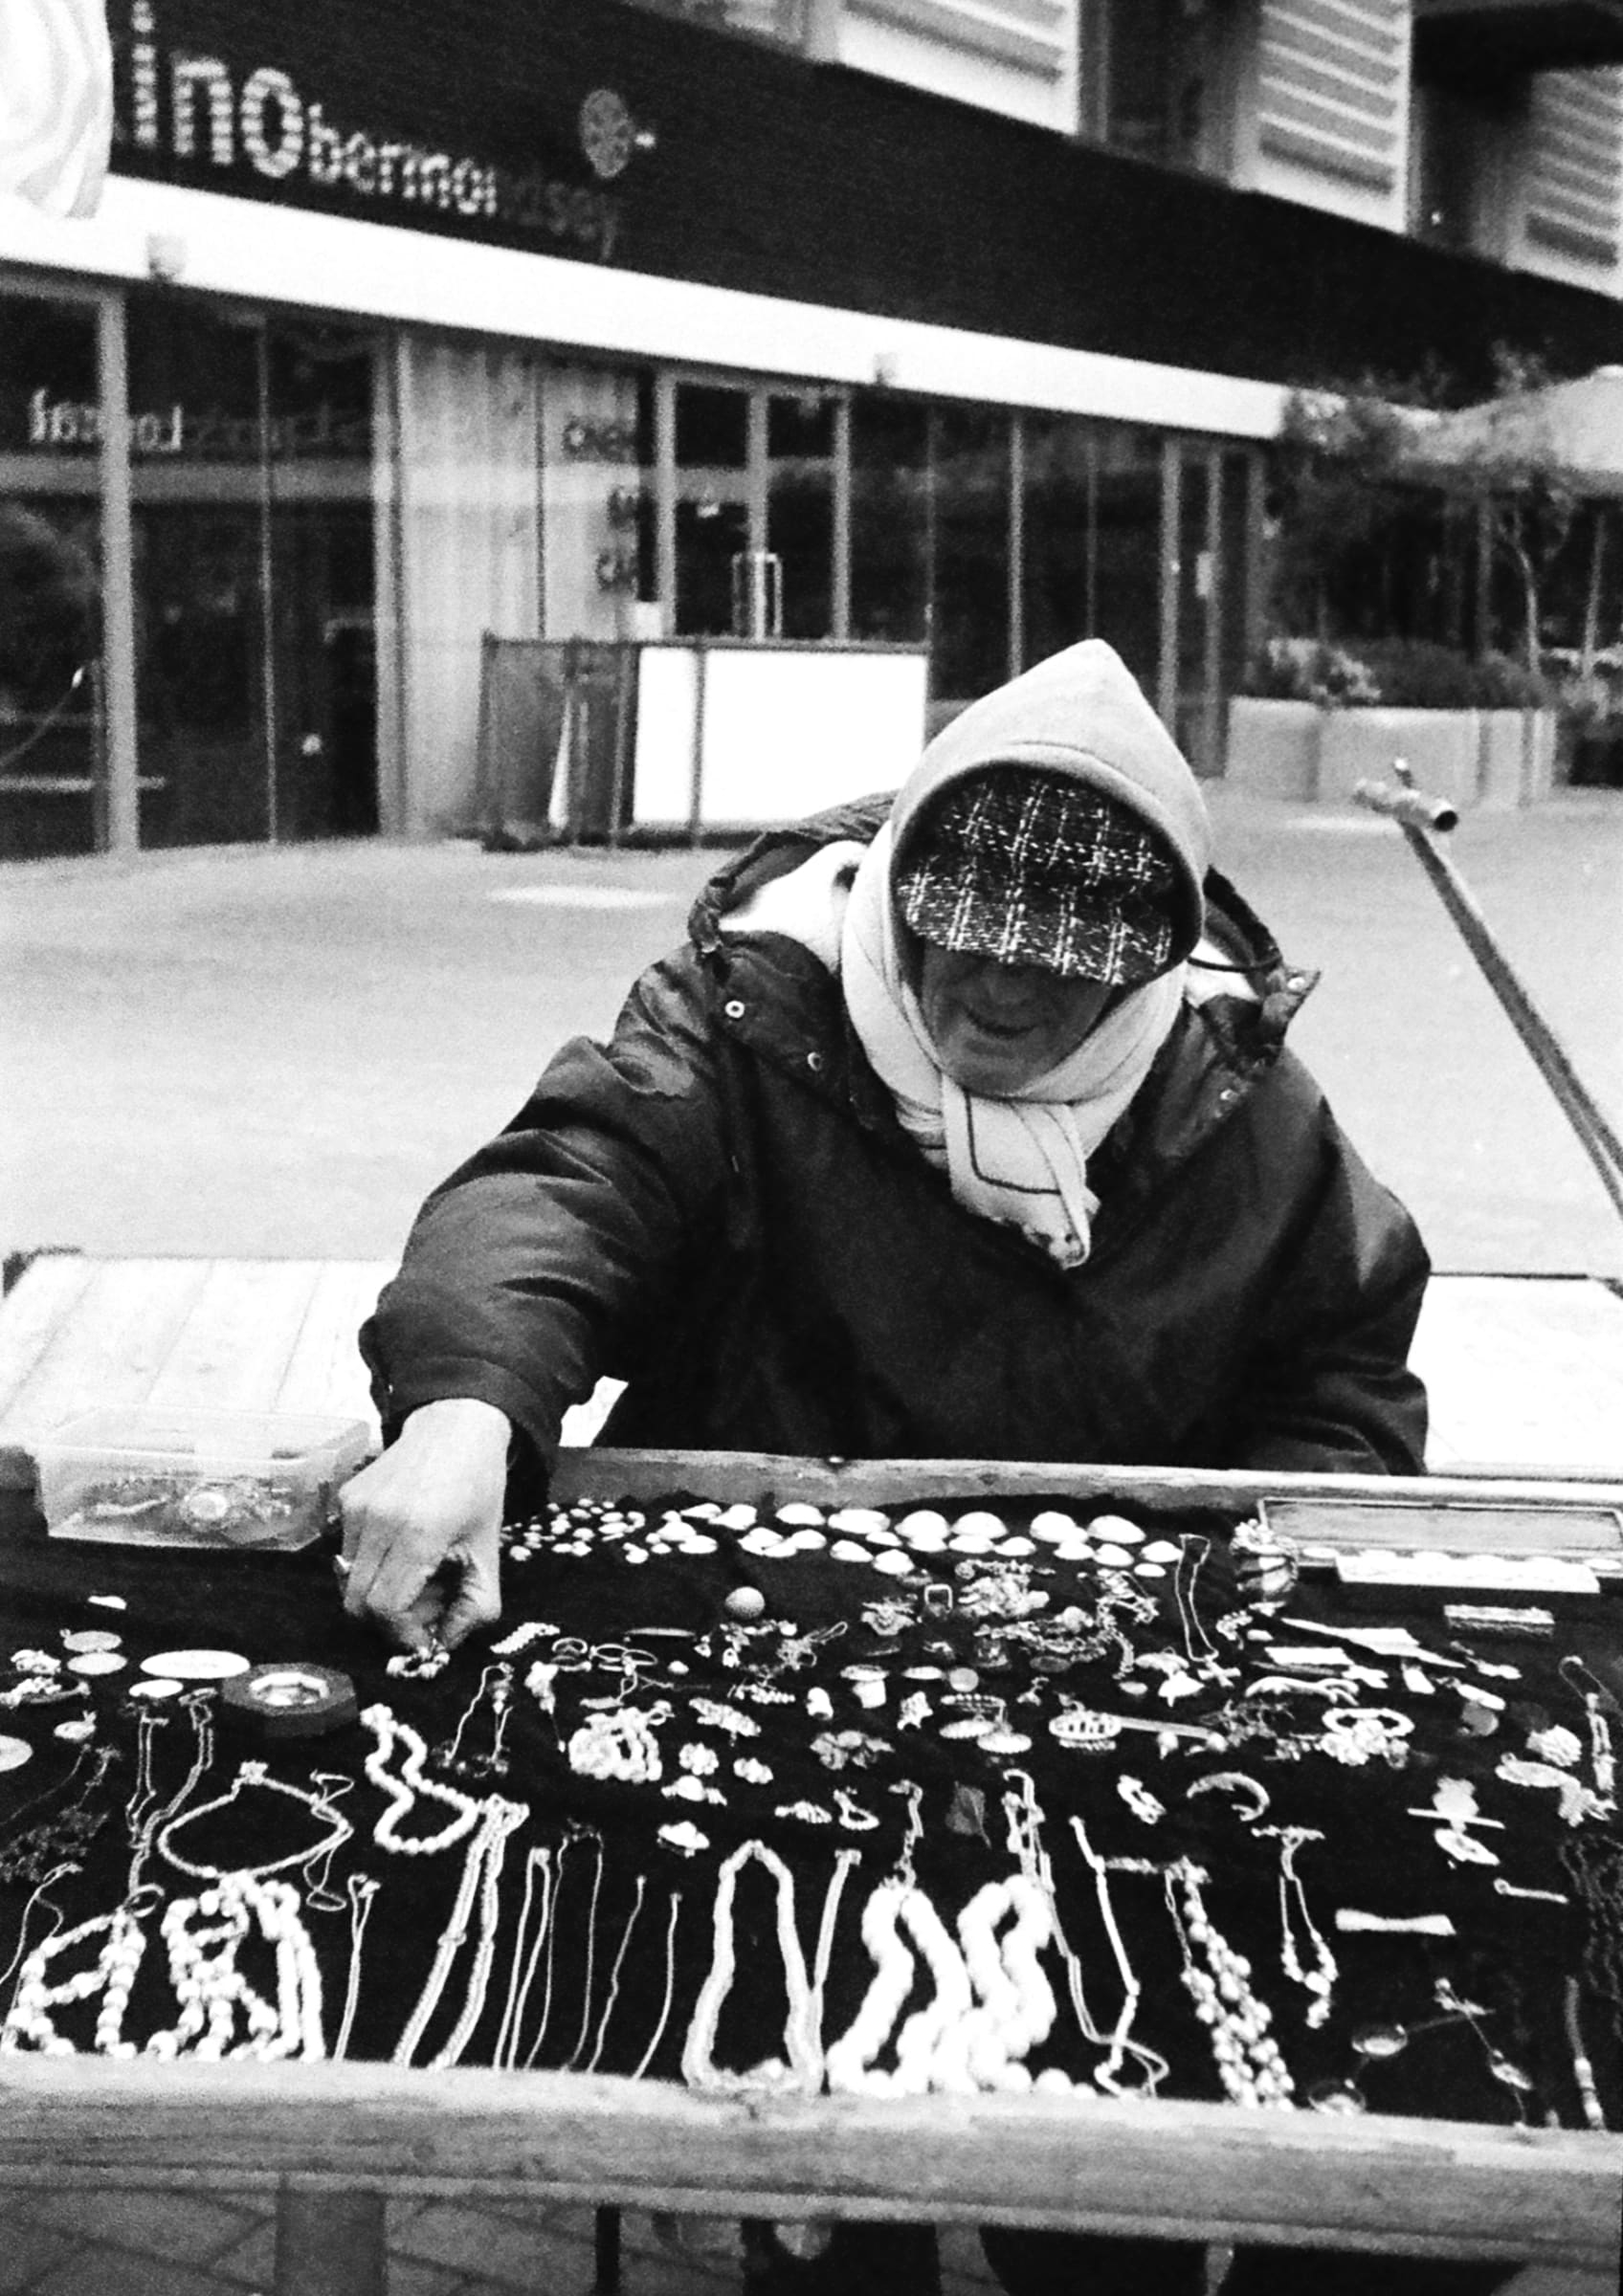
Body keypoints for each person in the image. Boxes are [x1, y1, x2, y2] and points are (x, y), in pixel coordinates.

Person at [342, 639, 1504, 2296]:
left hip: (1100, 1694)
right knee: (817, 2143)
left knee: (1107, 2167)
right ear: (897, 887)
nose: (998, 997)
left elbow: (1342, 1364)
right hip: (772, 1667)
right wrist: (467, 1400)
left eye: (1062, 971)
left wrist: (1243, 1570)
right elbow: (567, 1189)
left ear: (1154, 973)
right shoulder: (748, 1016)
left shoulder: (1243, 1107)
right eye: (958, 942)